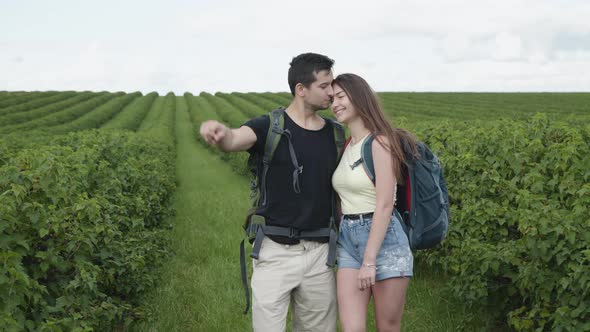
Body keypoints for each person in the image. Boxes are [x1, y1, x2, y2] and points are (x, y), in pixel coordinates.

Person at [200, 53, 339, 332]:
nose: (332, 92)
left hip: (321, 253)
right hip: (275, 252)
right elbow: (236, 139)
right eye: (324, 86)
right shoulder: (269, 126)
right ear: (301, 89)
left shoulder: (335, 133)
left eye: (332, 84)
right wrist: (220, 133)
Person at [331, 73, 417, 332]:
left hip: (385, 241)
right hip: (348, 240)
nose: (334, 104)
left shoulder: (380, 142)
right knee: (351, 328)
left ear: (359, 98)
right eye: (332, 99)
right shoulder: (348, 144)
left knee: (387, 326)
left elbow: (385, 204)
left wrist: (370, 260)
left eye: (341, 97)